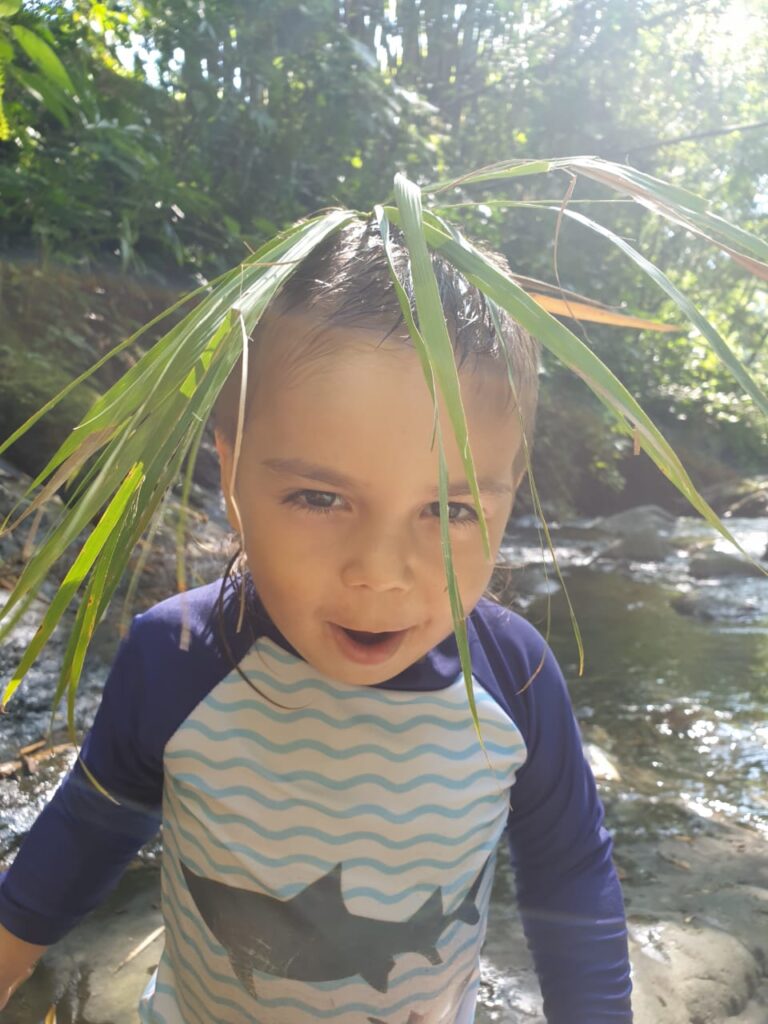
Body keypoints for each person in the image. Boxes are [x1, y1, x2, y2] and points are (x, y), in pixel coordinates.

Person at [0, 219, 632, 1023]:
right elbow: (89, 832)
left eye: (449, 508)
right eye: (320, 498)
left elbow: (571, 879)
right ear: (230, 471)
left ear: (509, 495)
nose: (379, 571)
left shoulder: (518, 682)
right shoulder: (176, 657)